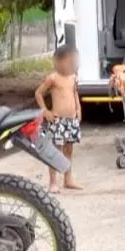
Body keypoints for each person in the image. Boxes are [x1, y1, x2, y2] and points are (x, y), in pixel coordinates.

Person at [33, 45, 82, 193]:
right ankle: (53, 182)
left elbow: (74, 94)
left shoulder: (73, 77)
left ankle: (68, 179)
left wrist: (78, 109)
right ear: (58, 62)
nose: (73, 65)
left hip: (71, 120)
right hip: (57, 120)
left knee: (69, 149)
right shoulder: (53, 78)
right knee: (55, 150)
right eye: (70, 61)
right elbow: (38, 93)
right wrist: (45, 111)